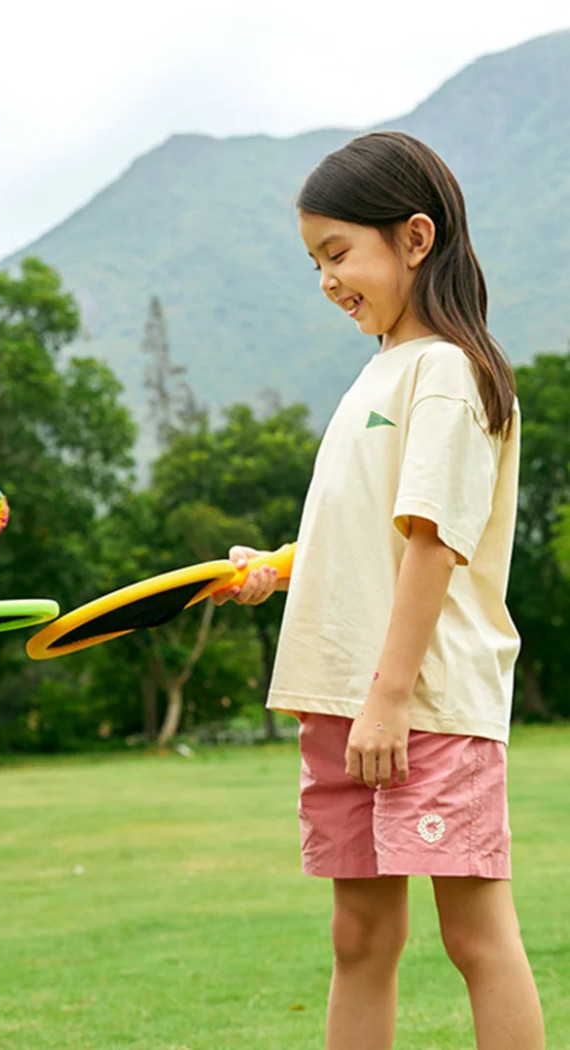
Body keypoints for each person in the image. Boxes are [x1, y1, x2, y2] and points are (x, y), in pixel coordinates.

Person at [215, 132, 545, 1049]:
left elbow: (436, 542)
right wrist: (278, 569)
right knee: (358, 936)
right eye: (315, 260)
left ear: (414, 237)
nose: (327, 279)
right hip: (347, 700)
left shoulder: (447, 370)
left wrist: (391, 699)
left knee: (474, 937)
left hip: (422, 701)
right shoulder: (381, 372)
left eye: (337, 253)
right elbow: (368, 528)